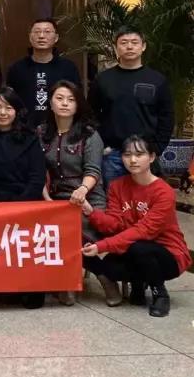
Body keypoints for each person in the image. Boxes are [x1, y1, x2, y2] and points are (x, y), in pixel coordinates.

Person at [81, 135, 191, 318]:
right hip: (132, 248)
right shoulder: (117, 186)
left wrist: (101, 246)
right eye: (127, 155)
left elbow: (143, 231)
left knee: (139, 248)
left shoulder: (164, 191)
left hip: (167, 254)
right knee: (108, 266)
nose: (132, 160)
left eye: (139, 155)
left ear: (152, 157)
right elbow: (115, 224)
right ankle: (138, 283)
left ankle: (159, 293)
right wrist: (91, 212)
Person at [0, 87, 47, 308]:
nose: (2, 112)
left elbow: (37, 177)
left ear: (17, 110)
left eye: (8, 107)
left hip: (25, 202)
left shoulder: (30, 138)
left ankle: (30, 287)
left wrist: (20, 205)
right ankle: (2, 285)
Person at [39, 80, 109, 305]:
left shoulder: (89, 135)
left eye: (71, 100)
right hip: (54, 198)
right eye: (59, 98)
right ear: (50, 102)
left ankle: (101, 276)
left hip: (88, 197)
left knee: (75, 228)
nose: (65, 103)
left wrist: (82, 190)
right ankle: (65, 280)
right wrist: (46, 198)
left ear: (78, 104)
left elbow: (93, 170)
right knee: (47, 227)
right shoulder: (41, 132)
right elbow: (36, 169)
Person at [89, 27, 173, 188]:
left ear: (143, 46)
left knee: (145, 200)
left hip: (145, 153)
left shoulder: (157, 80)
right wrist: (101, 145)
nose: (129, 46)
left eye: (134, 42)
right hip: (112, 154)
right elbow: (90, 115)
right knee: (113, 199)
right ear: (115, 47)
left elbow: (167, 116)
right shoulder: (103, 79)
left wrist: (157, 148)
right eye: (124, 42)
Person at [6, 18, 81, 128]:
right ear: (30, 37)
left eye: (47, 32)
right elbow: (9, 101)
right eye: (37, 32)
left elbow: (77, 100)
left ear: (56, 38)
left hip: (58, 129)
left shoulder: (68, 68)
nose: (41, 36)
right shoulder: (16, 69)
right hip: (24, 131)